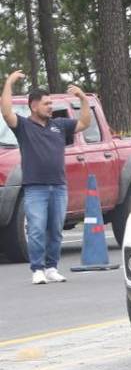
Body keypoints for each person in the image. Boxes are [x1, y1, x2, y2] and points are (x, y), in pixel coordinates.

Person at [2, 71, 92, 284]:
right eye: (46, 103)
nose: (50, 106)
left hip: (59, 186)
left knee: (55, 230)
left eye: (51, 103)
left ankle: (52, 267)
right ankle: (38, 269)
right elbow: (6, 112)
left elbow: (85, 123)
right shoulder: (23, 127)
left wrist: (83, 98)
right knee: (36, 229)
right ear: (33, 106)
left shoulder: (59, 125)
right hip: (35, 188)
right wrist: (9, 83)